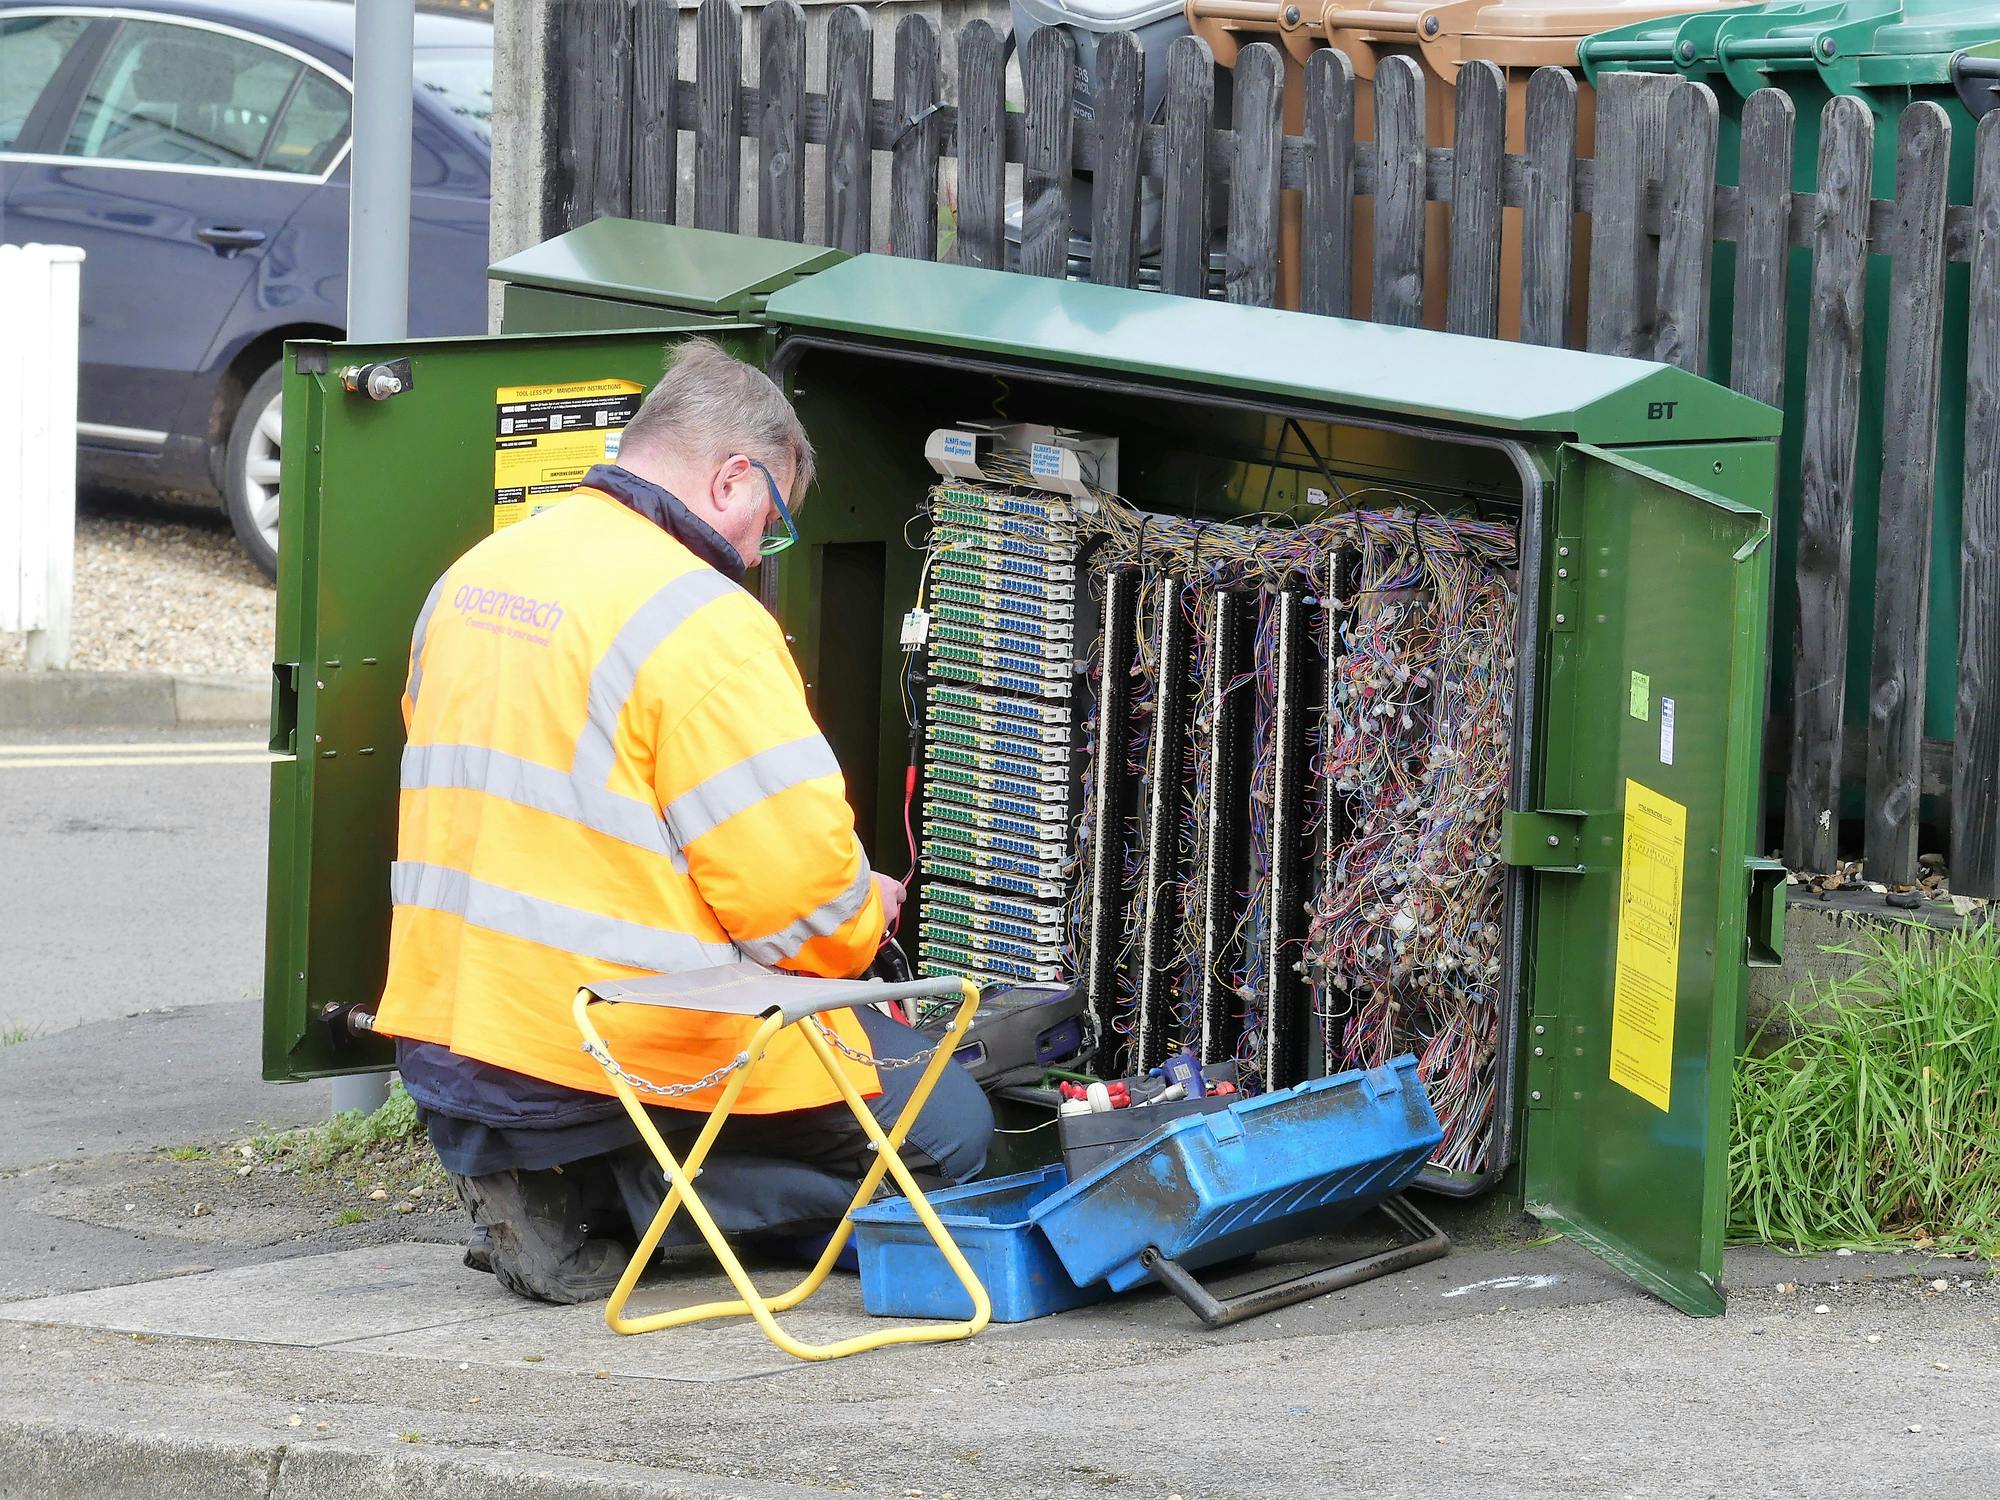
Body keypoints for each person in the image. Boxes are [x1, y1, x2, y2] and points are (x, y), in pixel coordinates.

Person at [373, 340, 992, 1304]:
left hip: (455, 1046)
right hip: (611, 1052)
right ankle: (613, 1200)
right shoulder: (701, 620)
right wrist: (866, 911)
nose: (758, 552)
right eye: (771, 524)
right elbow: (802, 914)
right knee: (953, 1136)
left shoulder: (478, 573)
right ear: (733, 476)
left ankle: (555, 1181)